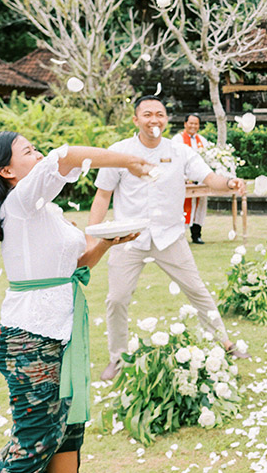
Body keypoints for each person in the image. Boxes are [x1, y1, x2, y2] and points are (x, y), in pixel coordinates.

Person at [0, 131, 151, 473]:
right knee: (33, 443)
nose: (39, 155)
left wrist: (107, 242)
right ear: (6, 171)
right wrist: (127, 160)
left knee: (69, 431)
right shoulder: (20, 202)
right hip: (31, 339)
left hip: (60, 334)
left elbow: (75, 265)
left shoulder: (43, 209)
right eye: (28, 151)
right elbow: (65, 155)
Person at [89, 95, 250, 382]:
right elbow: (102, 195)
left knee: (197, 290)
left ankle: (223, 343)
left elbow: (208, 177)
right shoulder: (118, 152)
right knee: (116, 299)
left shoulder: (180, 151)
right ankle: (118, 358)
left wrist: (229, 183)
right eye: (148, 114)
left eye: (160, 114)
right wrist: (92, 235)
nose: (155, 120)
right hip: (127, 238)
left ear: (166, 119)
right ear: (136, 119)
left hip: (170, 236)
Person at [172, 113, 211, 244]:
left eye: (196, 124)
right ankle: (180, 235)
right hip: (183, 180)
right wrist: (184, 177)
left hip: (199, 180)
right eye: (191, 123)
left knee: (200, 207)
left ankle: (196, 235)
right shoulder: (177, 140)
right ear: (185, 124)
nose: (193, 126)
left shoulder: (203, 141)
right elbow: (174, 161)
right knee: (183, 207)